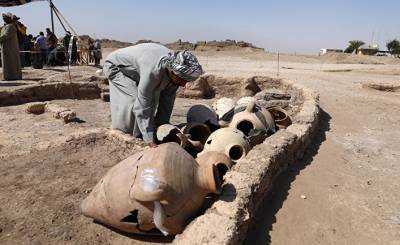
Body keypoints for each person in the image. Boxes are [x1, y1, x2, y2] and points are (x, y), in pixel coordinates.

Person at [103, 43, 203, 147]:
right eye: (182, 80)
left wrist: (162, 126)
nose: (183, 84)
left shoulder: (174, 73)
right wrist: (149, 140)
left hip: (137, 69)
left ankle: (144, 132)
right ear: (172, 72)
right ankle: (125, 135)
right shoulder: (153, 71)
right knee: (134, 101)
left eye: (186, 81)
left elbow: (167, 101)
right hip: (116, 67)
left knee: (151, 99)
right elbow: (142, 107)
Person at [0, 12, 22, 80]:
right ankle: (7, 76)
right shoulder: (5, 26)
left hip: (10, 48)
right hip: (5, 48)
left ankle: (13, 76)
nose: (4, 19)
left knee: (12, 63)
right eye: (3, 17)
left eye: (5, 17)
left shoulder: (11, 26)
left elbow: (5, 36)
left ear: (9, 18)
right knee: (6, 63)